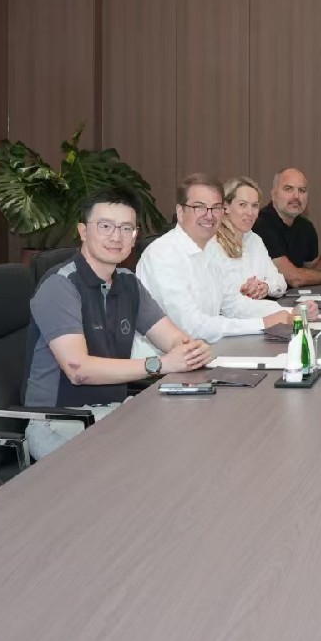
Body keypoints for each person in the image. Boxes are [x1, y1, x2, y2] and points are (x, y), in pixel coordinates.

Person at [26, 188, 213, 457]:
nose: (116, 237)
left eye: (127, 228)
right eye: (105, 226)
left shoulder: (127, 283)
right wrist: (159, 364)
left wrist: (193, 349)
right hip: (58, 421)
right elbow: (78, 369)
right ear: (83, 231)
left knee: (194, 433)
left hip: (111, 412)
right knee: (159, 456)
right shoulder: (60, 286)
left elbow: (173, 339)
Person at [138, 173, 298, 341]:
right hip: (161, 355)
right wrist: (263, 323)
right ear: (180, 212)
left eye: (215, 208)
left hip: (204, 348)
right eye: (199, 207)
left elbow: (232, 304)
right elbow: (191, 326)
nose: (209, 215)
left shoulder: (212, 249)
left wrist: (290, 313)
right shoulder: (163, 254)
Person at [254, 167, 321, 288]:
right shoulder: (261, 225)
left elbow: (315, 264)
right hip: (265, 298)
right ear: (274, 194)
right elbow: (293, 277)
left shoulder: (305, 226)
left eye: (302, 190)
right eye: (288, 189)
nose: (296, 196)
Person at [210, 176, 287, 301]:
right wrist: (246, 289)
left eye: (255, 206)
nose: (250, 213)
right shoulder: (212, 242)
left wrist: (265, 286)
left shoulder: (254, 239)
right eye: (243, 205)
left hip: (256, 309)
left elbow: (280, 282)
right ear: (226, 206)